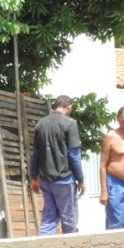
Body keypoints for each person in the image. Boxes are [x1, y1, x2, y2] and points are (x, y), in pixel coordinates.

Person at [30, 95, 85, 235]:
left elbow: (35, 153)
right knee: (69, 219)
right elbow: (74, 154)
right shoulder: (70, 123)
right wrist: (81, 179)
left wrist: (34, 177)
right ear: (68, 107)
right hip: (64, 180)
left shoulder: (41, 124)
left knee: (49, 219)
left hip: (45, 181)